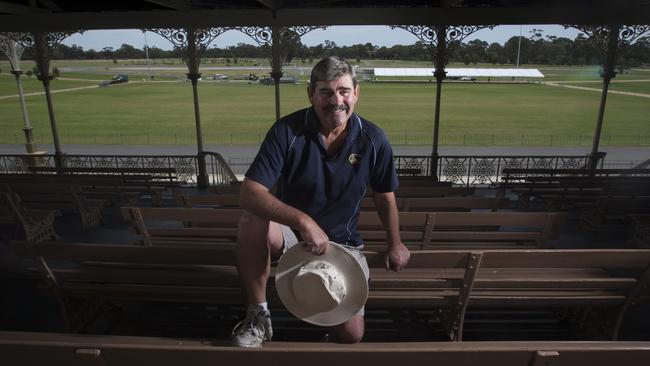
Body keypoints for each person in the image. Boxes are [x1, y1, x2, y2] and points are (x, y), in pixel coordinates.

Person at [231, 56, 410, 347]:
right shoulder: (286, 131)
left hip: (344, 243)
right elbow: (249, 193)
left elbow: (384, 195)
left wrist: (395, 243)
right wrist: (304, 222)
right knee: (252, 216)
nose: (336, 100)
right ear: (311, 94)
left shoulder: (374, 139)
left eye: (343, 91)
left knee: (351, 336)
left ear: (356, 93)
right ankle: (258, 316)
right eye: (325, 91)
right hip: (292, 235)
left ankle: (325, 323)